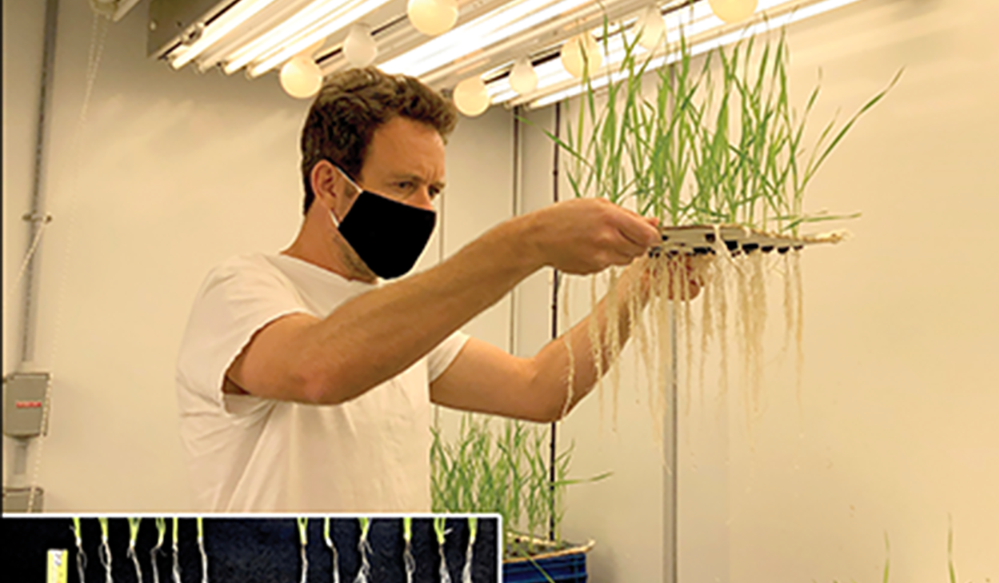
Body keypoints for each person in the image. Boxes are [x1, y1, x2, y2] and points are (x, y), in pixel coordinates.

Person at [176, 67, 701, 512]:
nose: (425, 208)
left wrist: (641, 284)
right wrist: (526, 242)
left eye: (434, 190)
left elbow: (538, 389)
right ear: (328, 184)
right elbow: (317, 370)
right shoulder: (244, 287)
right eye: (403, 185)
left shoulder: (394, 325)